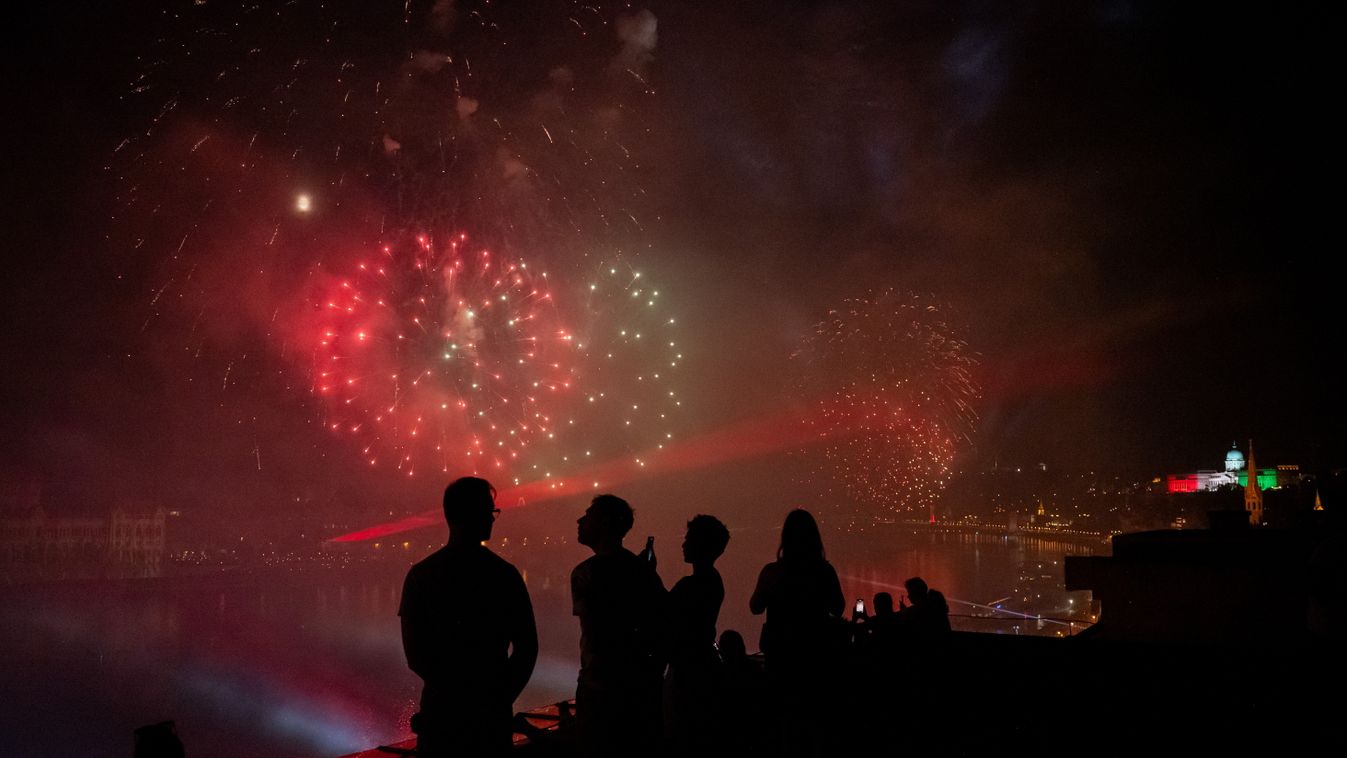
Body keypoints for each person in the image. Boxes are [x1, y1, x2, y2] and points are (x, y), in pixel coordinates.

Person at [399, 477, 538, 757]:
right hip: (491, 721)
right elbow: (527, 648)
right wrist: (498, 697)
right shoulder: (505, 575)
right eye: (490, 511)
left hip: (440, 718)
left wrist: (452, 697)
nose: (493, 518)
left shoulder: (421, 576)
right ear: (472, 514)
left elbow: (416, 656)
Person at [571, 494, 667, 758]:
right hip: (641, 690)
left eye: (588, 516)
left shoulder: (585, 573)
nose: (580, 521)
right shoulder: (642, 571)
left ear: (603, 523)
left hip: (599, 691)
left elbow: (595, 634)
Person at [749, 508, 845, 756]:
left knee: (781, 718)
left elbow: (755, 607)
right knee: (814, 718)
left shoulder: (772, 571)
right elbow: (838, 607)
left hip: (780, 655)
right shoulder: (825, 571)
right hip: (816, 654)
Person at [664, 514, 730, 756]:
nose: (683, 544)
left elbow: (662, 610)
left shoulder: (690, 585)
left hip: (687, 671)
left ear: (701, 545)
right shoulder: (714, 581)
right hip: (703, 666)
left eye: (688, 539)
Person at [899, 576, 952, 641]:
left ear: (915, 592)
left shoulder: (920, 609)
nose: (908, 596)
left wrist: (904, 612)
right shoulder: (934, 606)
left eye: (909, 592)